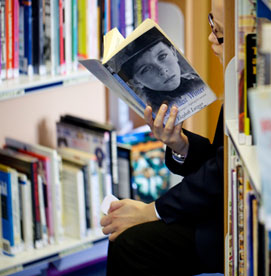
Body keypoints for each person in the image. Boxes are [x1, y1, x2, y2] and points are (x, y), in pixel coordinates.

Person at [102, 1, 226, 275]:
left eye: (219, 32)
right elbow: (222, 161)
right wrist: (179, 144)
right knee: (126, 238)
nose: (210, 39)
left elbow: (222, 175)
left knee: (129, 242)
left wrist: (152, 210)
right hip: (217, 206)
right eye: (210, 24)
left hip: (228, 223)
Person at [111, 27, 205, 114]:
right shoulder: (154, 110)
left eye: (162, 56)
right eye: (146, 69)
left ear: (173, 53)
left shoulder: (196, 79)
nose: (162, 70)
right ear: (135, 82)